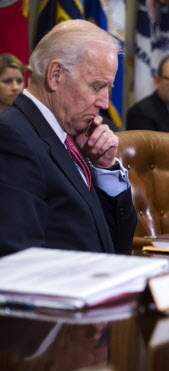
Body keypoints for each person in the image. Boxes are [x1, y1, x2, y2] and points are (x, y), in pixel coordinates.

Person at [0, 20, 137, 257]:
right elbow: (19, 258)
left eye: (109, 88)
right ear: (55, 75)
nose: (104, 103)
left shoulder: (68, 137)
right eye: (96, 86)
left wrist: (104, 168)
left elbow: (117, 244)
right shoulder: (12, 138)